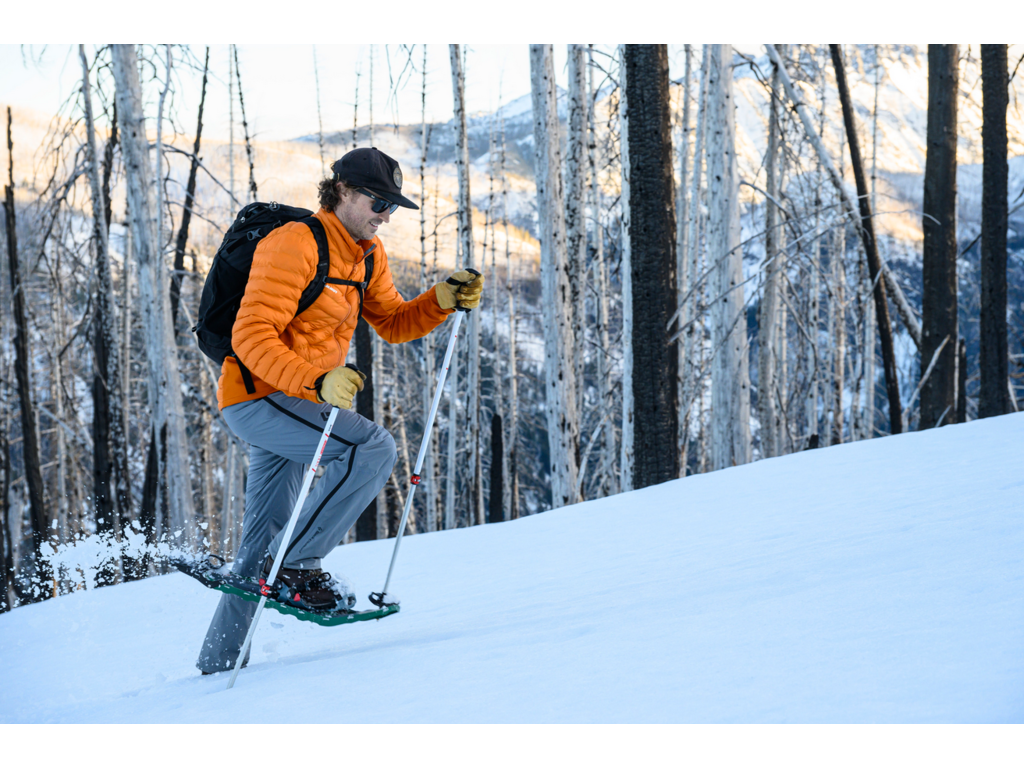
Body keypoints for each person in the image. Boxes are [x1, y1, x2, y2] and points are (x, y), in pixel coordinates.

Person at [197, 147, 483, 674]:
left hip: (301, 407)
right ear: (344, 191)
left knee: (258, 547)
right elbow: (251, 334)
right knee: (372, 449)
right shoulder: (295, 244)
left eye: (392, 206)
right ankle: (298, 567)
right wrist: (316, 379)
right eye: (378, 201)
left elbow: (394, 322)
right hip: (260, 398)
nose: (385, 215)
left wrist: (441, 298)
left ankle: (217, 669)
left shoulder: (367, 255)